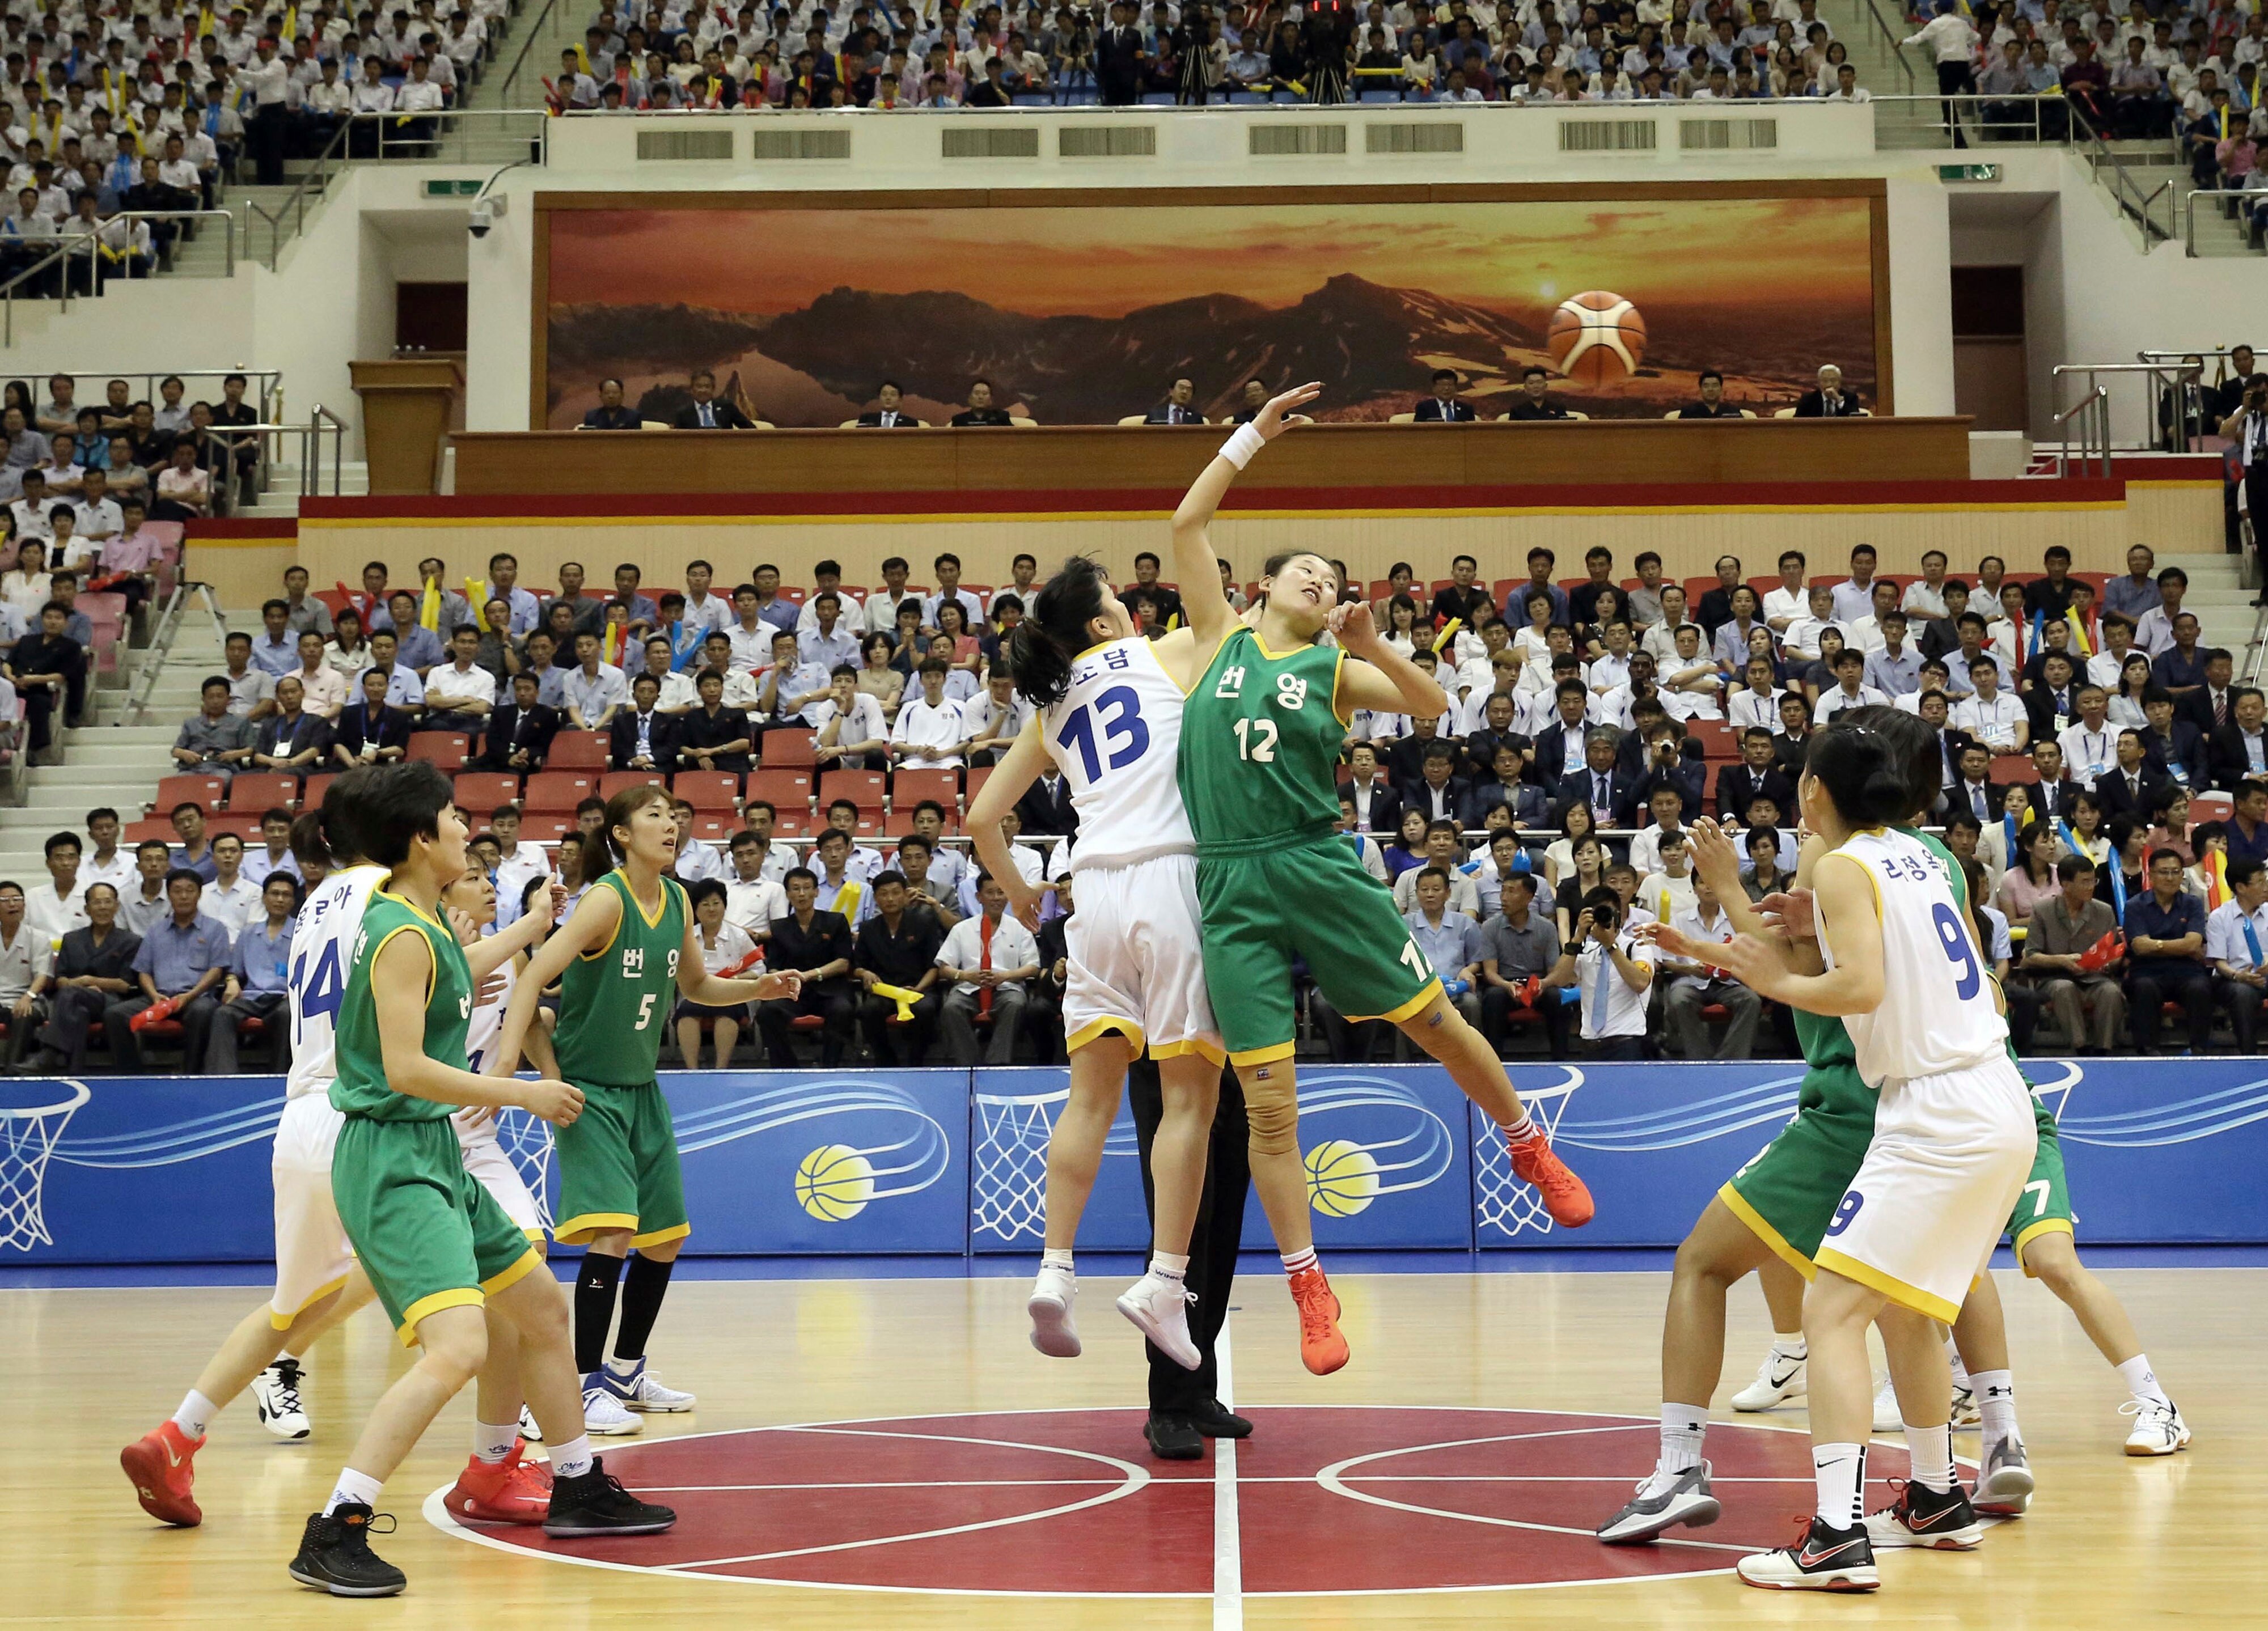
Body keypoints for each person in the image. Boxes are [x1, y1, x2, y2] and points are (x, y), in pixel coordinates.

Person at [1166, 383, 1592, 1375]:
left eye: (1332, 577)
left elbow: (1437, 702)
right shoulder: (1216, 636)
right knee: (1270, 1104)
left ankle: (1527, 1142)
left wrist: (1371, 643)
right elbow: (1188, 519)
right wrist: (1250, 438)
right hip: (1230, 885)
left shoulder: (1330, 664)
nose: (1321, 580)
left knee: (1435, 1018)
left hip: (1317, 865)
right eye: (1305, 572)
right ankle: (1311, 1288)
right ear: (1264, 588)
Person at [115, 778, 583, 1551]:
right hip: (371, 1114)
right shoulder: (396, 897)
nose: (457, 832)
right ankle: (466, 1474)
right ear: (408, 835)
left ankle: (180, 1432)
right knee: (472, 1312)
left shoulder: (321, 901)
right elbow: (438, 976)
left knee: (293, 1307)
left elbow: (440, 970)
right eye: (445, 822)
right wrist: (510, 942)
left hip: (301, 1115)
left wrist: (521, 926)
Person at [1652, 719, 2033, 1592]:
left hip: (1935, 1111)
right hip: (1994, 1095)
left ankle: (1835, 1536)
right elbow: (1918, 959)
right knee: (1911, 1311)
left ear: (1815, 792)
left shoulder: (1836, 862)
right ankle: (1938, 1497)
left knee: (1829, 1313)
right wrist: (1795, 931)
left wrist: (1780, 975)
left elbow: (1858, 986)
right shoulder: (1925, 855)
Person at [963, 552, 1231, 1387]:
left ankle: (1054, 1270)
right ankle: (1164, 1280)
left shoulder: (1047, 708)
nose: (1132, 605)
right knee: (1190, 1099)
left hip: (1096, 893)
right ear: (1104, 622)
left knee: (1091, 1099)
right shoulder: (1167, 652)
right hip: (1172, 876)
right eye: (1119, 597)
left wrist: (1030, 901)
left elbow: (980, 818)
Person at [488, 784, 797, 1439]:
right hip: (589, 1089)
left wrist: (756, 988)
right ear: (621, 835)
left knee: (667, 1235)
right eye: (652, 815)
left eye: (674, 814)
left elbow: (694, 985)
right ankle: (576, 1383)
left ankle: (625, 1372)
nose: (670, 823)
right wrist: (512, 1074)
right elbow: (533, 973)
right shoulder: (606, 899)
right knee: (613, 1232)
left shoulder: (679, 898)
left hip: (641, 1089)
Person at [205, 872, 300, 1071]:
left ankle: (280, 1077)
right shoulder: (248, 933)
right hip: (252, 998)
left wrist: (294, 991)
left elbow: (308, 971)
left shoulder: (302, 931)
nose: (280, 900)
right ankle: (224, 1077)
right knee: (223, 1014)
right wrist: (231, 981)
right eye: (274, 894)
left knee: (288, 1014)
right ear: (264, 898)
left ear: (293, 901)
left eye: (286, 895)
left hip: (284, 998)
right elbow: (235, 970)